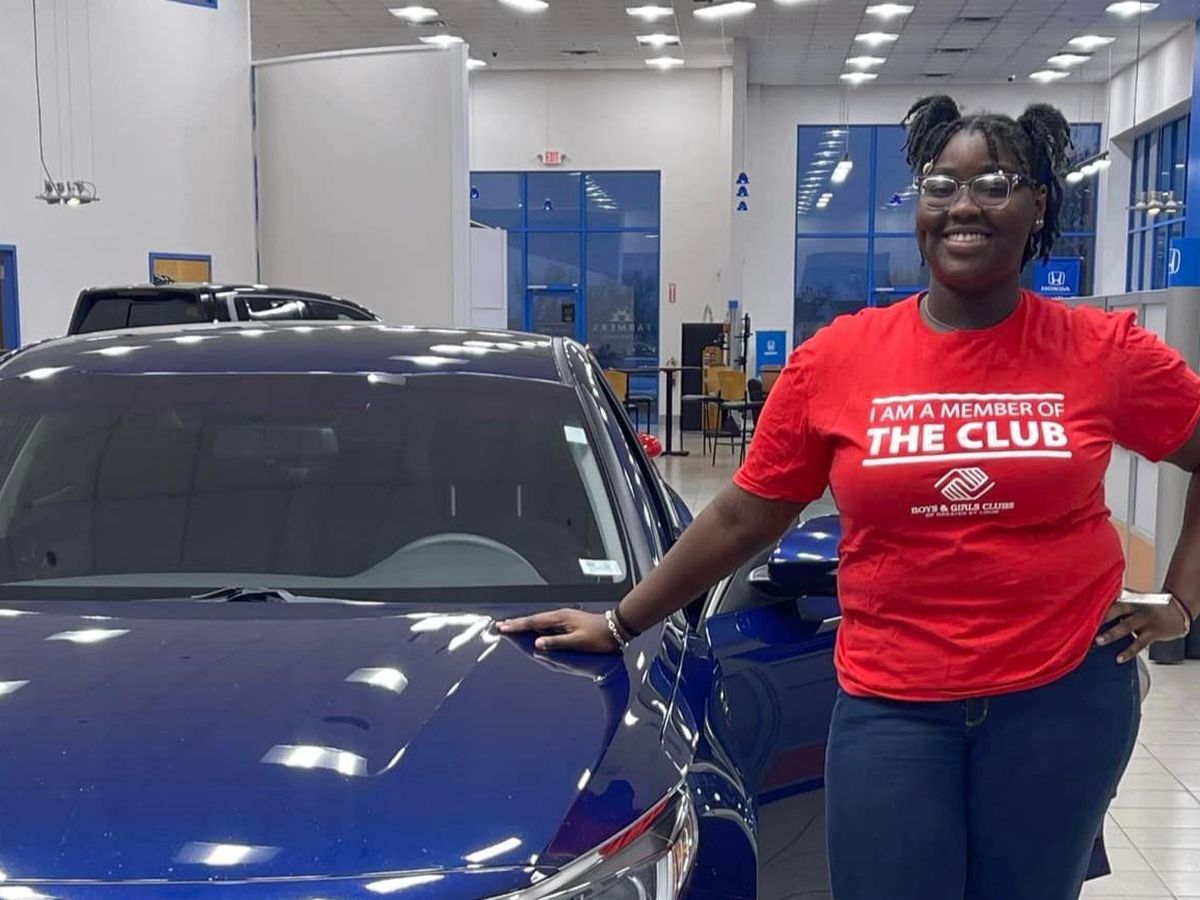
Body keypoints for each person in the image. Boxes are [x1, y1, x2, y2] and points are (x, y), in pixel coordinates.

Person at [499, 95, 1200, 900]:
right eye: (941, 184)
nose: (964, 205)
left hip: (1060, 702)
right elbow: (744, 514)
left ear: (1038, 204)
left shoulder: (1103, 350)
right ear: (920, 206)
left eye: (995, 183)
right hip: (893, 705)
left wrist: (1182, 603)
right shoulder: (841, 358)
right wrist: (621, 622)